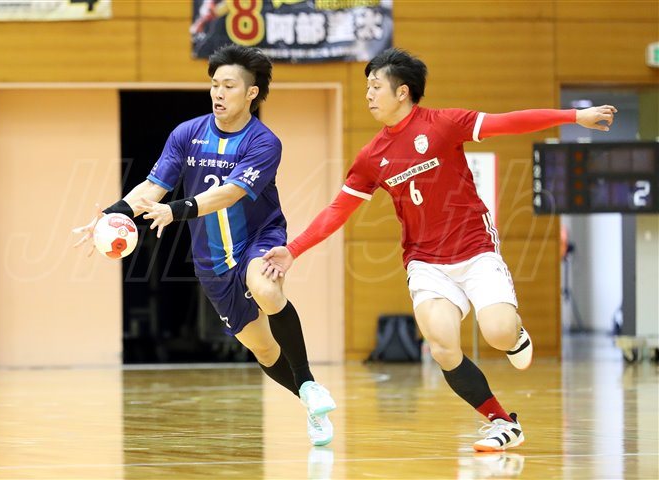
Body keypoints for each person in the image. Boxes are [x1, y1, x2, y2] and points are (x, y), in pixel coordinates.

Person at [261, 47, 617, 452]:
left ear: (403, 92)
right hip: (425, 263)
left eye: (376, 86)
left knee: (498, 332)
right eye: (367, 88)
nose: (369, 95)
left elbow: (509, 122)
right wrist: (293, 250)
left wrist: (573, 117)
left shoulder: (444, 124)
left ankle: (514, 334)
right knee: (442, 345)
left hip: (475, 249)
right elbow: (337, 210)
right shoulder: (372, 156)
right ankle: (502, 422)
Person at [72, 44, 336, 446]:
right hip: (212, 261)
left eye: (229, 86)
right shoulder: (187, 134)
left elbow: (229, 193)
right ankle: (309, 402)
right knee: (263, 350)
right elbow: (152, 188)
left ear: (251, 92)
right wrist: (110, 215)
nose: (218, 93)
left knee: (265, 289)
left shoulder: (264, 143)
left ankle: (310, 383)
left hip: (258, 237)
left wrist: (175, 211)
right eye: (214, 84)